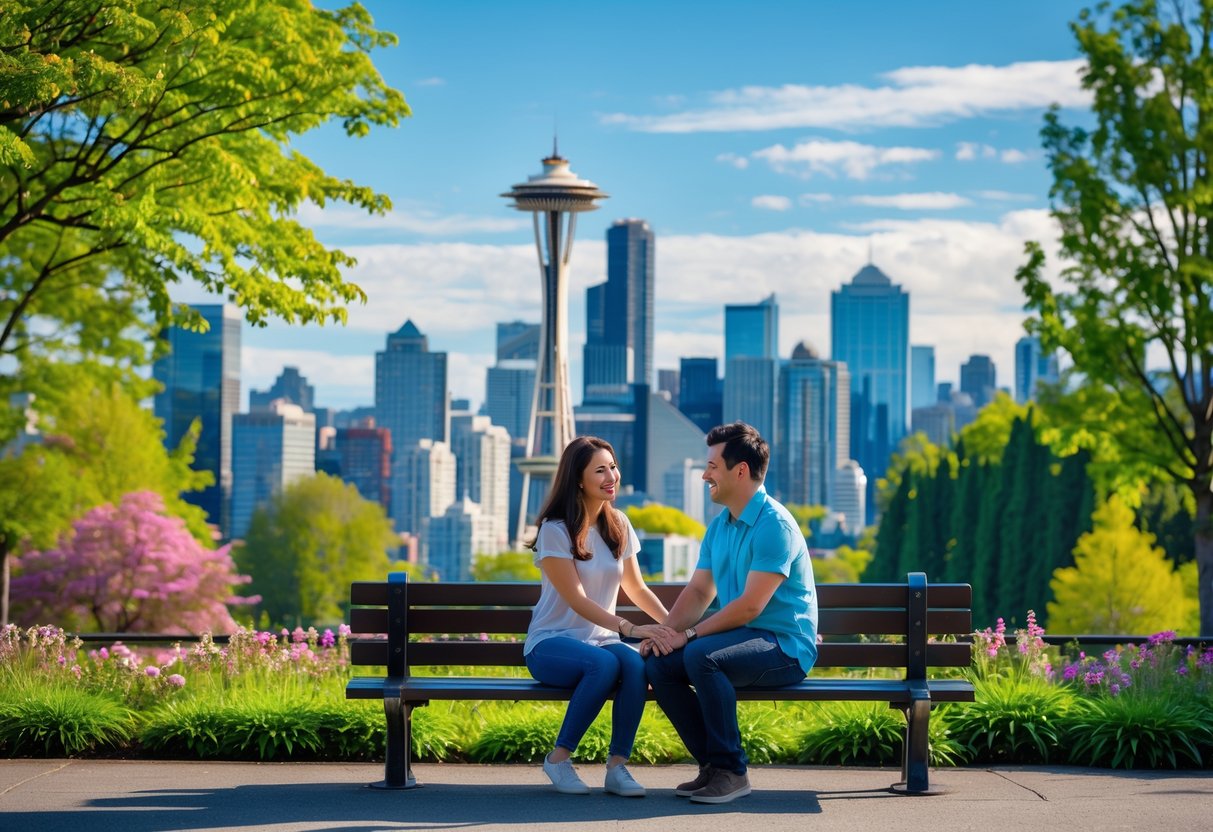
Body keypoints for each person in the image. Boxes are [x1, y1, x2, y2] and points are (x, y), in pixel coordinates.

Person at [642, 421, 818, 804]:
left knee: (701, 655)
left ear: (740, 471)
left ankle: (732, 771)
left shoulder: (775, 525)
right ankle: (712, 766)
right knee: (660, 663)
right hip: (742, 640)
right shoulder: (720, 527)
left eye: (712, 467)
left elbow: (752, 605)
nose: (705, 475)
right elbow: (700, 591)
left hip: (784, 648)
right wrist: (661, 636)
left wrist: (687, 636)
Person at [523, 436, 677, 797]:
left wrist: (675, 627)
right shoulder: (555, 530)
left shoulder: (619, 524)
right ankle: (558, 760)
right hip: (551, 644)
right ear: (579, 478)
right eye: (600, 470)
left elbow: (637, 589)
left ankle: (617, 768)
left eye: (613, 467)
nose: (612, 476)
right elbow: (575, 599)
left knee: (636, 664)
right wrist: (629, 627)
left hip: (601, 641)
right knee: (603, 666)